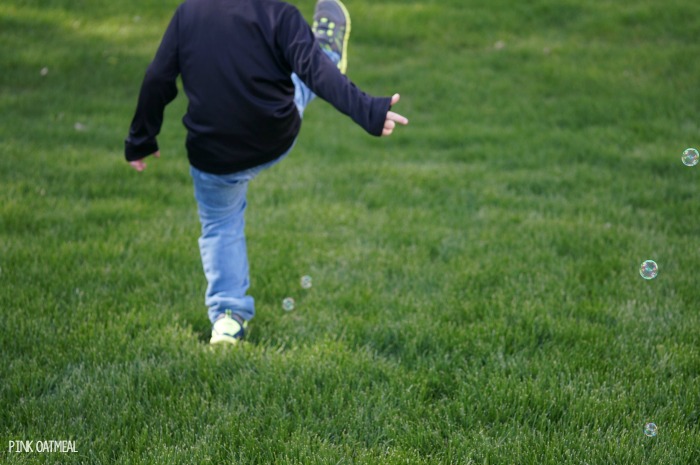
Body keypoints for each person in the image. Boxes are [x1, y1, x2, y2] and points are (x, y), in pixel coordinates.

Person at [124, 0, 408, 345]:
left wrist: (141, 138)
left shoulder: (188, 13)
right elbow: (316, 74)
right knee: (307, 74)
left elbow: (158, 77)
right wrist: (370, 112)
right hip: (270, 136)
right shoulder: (280, 14)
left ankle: (227, 319)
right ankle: (327, 48)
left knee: (219, 224)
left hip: (212, 154)